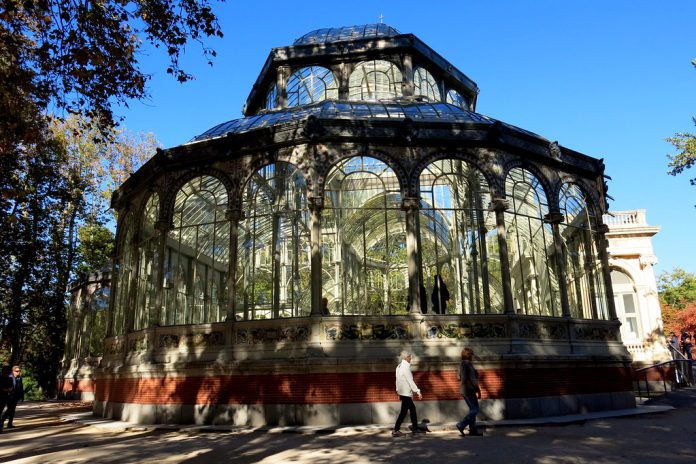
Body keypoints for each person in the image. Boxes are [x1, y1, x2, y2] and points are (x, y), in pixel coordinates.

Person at [392, 350, 424, 437]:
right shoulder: (405, 367)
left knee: (404, 411)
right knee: (412, 409)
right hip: (406, 393)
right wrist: (417, 391)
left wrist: (398, 391)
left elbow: (397, 381)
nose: (411, 358)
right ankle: (414, 429)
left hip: (403, 392)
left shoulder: (398, 366)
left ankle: (397, 430)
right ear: (406, 358)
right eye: (410, 356)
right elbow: (410, 380)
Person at [456, 347, 483, 436]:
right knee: (475, 409)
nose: (473, 356)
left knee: (472, 409)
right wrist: (478, 390)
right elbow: (473, 379)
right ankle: (462, 424)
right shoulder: (468, 365)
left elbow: (458, 377)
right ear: (469, 355)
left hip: (463, 390)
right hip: (470, 389)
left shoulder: (461, 364)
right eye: (472, 354)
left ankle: (473, 430)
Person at [0, 365, 24, 431]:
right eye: (17, 371)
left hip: (15, 396)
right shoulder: (8, 377)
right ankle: (2, 421)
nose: (18, 372)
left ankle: (9, 423)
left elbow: (21, 388)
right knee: (9, 409)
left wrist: (22, 396)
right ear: (13, 371)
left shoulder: (19, 378)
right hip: (8, 395)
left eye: (19, 371)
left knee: (12, 410)